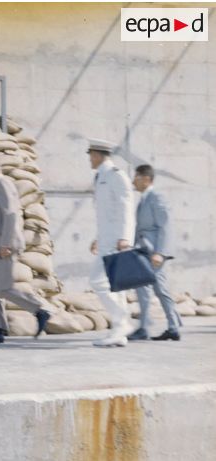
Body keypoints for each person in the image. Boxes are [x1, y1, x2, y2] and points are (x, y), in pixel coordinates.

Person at [0, 154, 55, 344]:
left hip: (3, 247)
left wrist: (6, 244)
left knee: (2, 289)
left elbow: (11, 214)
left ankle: (40, 310)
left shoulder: (3, 184)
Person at [88, 139, 135, 348]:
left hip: (117, 241)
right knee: (117, 288)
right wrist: (98, 237)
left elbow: (126, 208)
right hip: (107, 239)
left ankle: (123, 321)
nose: (89, 159)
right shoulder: (101, 177)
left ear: (98, 155)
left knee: (97, 282)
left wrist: (125, 237)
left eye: (90, 155)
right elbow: (106, 214)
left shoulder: (117, 175)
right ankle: (119, 332)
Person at [128, 164, 182, 341]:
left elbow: (164, 225)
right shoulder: (144, 198)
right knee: (150, 289)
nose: (133, 181)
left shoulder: (156, 196)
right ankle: (168, 327)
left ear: (145, 178)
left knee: (158, 290)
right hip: (143, 250)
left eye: (136, 177)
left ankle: (165, 326)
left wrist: (160, 252)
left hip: (153, 253)